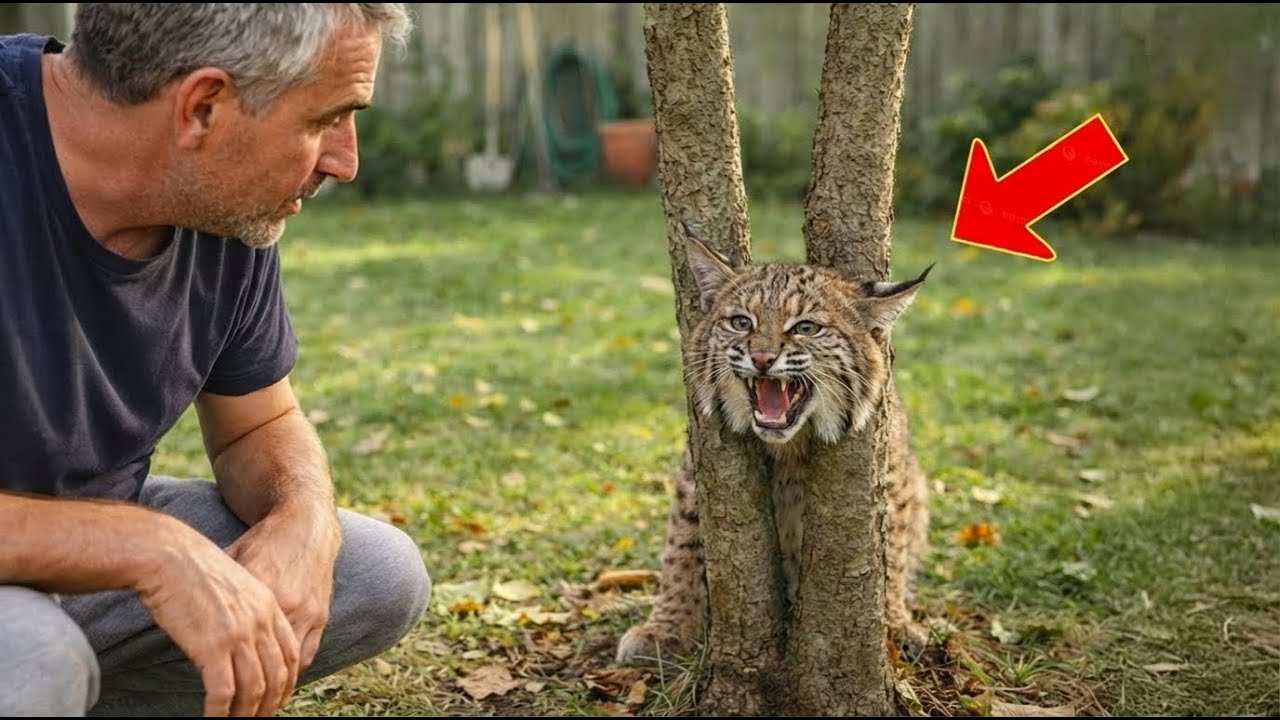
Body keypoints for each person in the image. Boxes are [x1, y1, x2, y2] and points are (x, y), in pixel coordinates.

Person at [0, 4, 432, 717]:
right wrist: (146, 547)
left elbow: (256, 426)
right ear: (204, 106)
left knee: (373, 573)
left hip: (75, 573)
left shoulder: (220, 205)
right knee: (30, 657)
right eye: (323, 120)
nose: (345, 162)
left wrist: (304, 519)